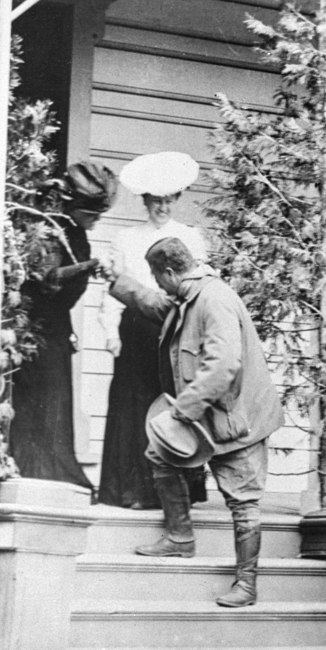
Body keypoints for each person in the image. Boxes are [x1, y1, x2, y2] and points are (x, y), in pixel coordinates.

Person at [103, 237, 284, 608]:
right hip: (206, 415)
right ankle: (180, 537)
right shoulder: (189, 294)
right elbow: (157, 305)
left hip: (237, 420)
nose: (156, 284)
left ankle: (246, 584)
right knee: (159, 456)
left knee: (243, 503)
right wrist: (118, 281)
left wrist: (181, 412)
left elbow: (222, 365)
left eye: (156, 276)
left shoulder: (213, 300)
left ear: (170, 272)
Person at [97, 151, 208, 509]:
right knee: (133, 407)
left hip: (174, 330)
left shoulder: (190, 238)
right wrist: (111, 331)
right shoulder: (126, 238)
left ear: (177, 199)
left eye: (168, 199)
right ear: (145, 201)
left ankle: (176, 493)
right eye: (155, 200)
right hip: (135, 332)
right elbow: (113, 290)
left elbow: (199, 289)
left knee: (170, 405)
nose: (161, 206)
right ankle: (130, 491)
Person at [10, 161, 118, 491]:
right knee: (40, 402)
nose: (96, 222)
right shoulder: (51, 231)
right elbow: (48, 280)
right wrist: (90, 265)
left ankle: (51, 470)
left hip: (56, 329)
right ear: (74, 205)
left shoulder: (77, 233)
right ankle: (35, 471)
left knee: (56, 402)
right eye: (92, 214)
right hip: (33, 331)